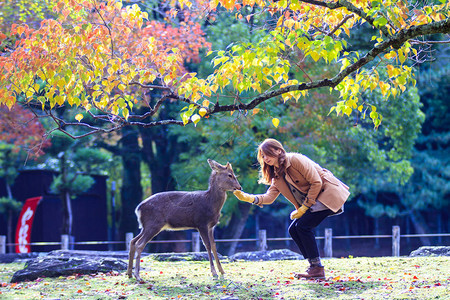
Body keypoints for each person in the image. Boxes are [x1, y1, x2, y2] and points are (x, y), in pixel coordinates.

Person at [234, 138, 350, 279]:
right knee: (294, 229)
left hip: (328, 193)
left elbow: (316, 182)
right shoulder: (277, 175)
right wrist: (249, 198)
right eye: (262, 156)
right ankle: (314, 267)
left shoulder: (295, 159)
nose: (265, 158)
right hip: (314, 201)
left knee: (302, 227)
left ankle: (317, 269)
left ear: (278, 150)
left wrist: (304, 208)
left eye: (268, 153)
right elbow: (269, 197)